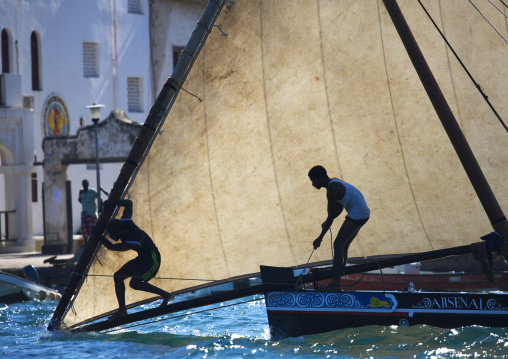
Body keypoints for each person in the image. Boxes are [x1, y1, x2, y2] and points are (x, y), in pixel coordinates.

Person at [92, 199, 174, 320]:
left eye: (111, 234)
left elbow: (112, 246)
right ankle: (122, 311)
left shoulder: (135, 240)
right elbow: (129, 203)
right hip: (142, 258)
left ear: (119, 232)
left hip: (152, 259)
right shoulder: (125, 220)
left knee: (134, 283)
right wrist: (111, 202)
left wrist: (97, 235)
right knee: (118, 276)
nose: (110, 237)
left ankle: (166, 295)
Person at [308, 165, 370, 290]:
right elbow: (341, 207)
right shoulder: (334, 183)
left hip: (358, 213)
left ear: (320, 178)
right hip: (363, 213)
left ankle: (336, 282)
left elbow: (331, 216)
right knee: (343, 245)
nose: (313, 184)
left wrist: (319, 238)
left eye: (313, 181)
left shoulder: (332, 189)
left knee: (338, 244)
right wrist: (327, 221)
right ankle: (340, 271)